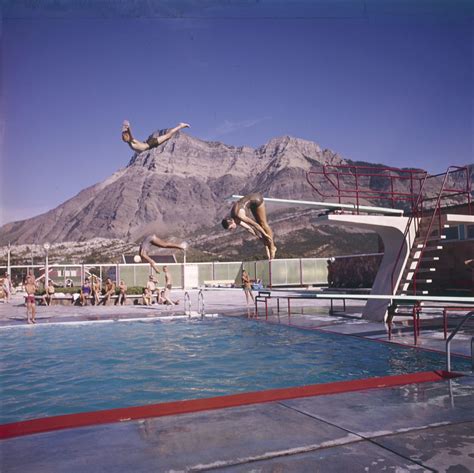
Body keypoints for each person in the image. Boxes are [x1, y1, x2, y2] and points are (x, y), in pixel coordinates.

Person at [222, 192, 276, 259]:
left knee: (263, 224)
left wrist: (265, 234)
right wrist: (260, 238)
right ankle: (267, 246)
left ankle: (272, 247)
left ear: (232, 221)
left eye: (231, 228)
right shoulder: (236, 220)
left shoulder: (240, 215)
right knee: (260, 226)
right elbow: (249, 228)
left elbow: (255, 225)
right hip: (251, 204)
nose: (232, 229)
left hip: (256, 199)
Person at [121, 120, 190, 153]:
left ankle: (181, 125)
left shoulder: (132, 141)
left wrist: (128, 128)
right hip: (149, 144)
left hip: (151, 143)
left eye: (124, 138)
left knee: (168, 136)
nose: (123, 139)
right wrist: (125, 129)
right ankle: (180, 126)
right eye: (123, 138)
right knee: (168, 137)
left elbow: (130, 134)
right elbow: (125, 134)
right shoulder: (130, 143)